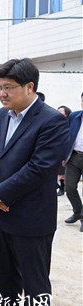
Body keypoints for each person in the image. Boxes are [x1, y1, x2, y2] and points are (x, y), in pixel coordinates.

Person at [0, 58, 69, 306]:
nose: (2, 94)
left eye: (8, 87)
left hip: (31, 215)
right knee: (3, 275)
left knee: (33, 279)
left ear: (30, 87)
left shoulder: (51, 120)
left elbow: (39, 168)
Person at [63, 92, 83, 232]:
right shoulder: (74, 116)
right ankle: (78, 212)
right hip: (74, 157)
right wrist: (64, 156)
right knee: (69, 187)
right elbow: (66, 136)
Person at [56, 105, 72, 196]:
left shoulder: (71, 123)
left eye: (61, 111)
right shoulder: (55, 123)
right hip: (58, 149)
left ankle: (64, 187)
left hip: (68, 149)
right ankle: (61, 187)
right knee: (59, 170)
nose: (59, 113)